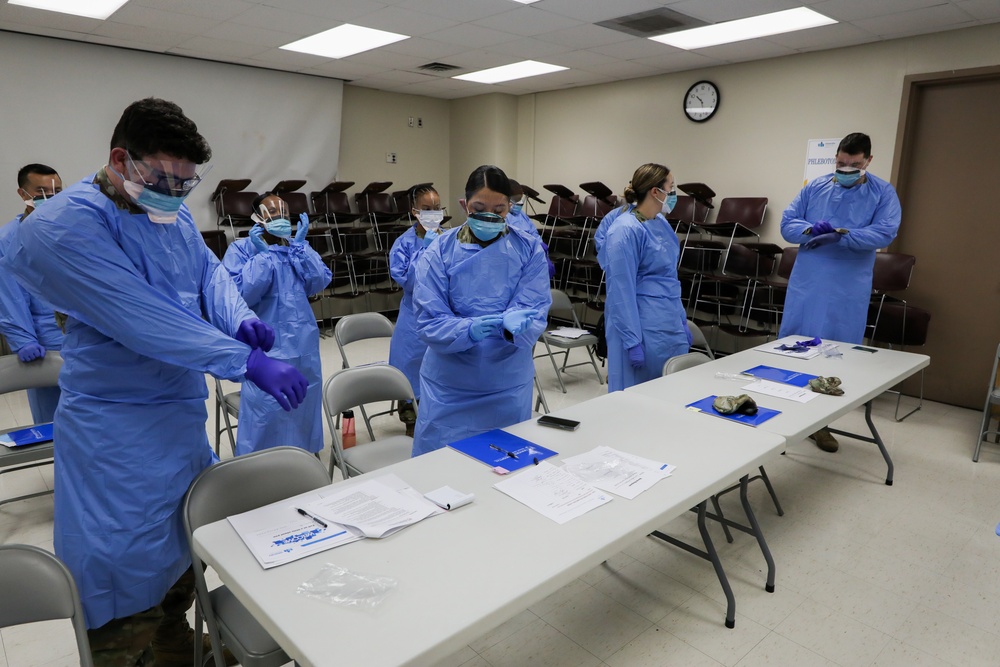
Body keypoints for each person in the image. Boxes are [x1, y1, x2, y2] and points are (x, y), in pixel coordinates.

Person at [1, 97, 308, 666]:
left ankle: (176, 647)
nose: (177, 192)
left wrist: (237, 315)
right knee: (119, 570)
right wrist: (243, 361)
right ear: (122, 159)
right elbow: (142, 317)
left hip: (176, 415)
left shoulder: (170, 211)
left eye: (187, 183)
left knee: (178, 554)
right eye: (166, 178)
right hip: (115, 434)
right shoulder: (67, 224)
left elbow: (206, 272)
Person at [410, 165, 550, 456]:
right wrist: (467, 330)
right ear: (464, 205)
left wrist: (517, 327)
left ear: (510, 207)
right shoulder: (439, 252)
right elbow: (429, 321)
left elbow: (534, 308)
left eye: (498, 209)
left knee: (505, 471)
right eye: (479, 207)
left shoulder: (528, 249)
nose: (489, 216)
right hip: (450, 387)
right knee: (442, 472)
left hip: (507, 383)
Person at [779, 132, 902, 453]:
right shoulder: (815, 187)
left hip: (848, 285)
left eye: (854, 165)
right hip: (809, 281)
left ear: (868, 161)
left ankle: (821, 425)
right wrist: (810, 230)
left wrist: (843, 235)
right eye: (841, 164)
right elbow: (787, 223)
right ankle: (782, 416)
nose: (846, 170)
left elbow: (885, 231)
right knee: (794, 347)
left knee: (837, 353)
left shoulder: (882, 193)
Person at [223, 192, 331, 456]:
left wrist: (302, 247)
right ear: (258, 218)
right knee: (266, 410)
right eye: (272, 213)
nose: (279, 218)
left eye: (283, 212)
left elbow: (319, 280)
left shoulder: (295, 248)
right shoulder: (241, 250)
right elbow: (237, 295)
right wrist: (263, 258)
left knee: (303, 402)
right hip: (266, 348)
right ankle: (260, 469)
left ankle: (303, 460)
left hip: (303, 347)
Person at [603, 163, 690, 392]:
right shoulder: (624, 230)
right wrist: (632, 341)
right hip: (640, 329)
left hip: (668, 322)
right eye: (670, 188)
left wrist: (681, 320)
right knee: (636, 400)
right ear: (655, 191)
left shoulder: (661, 224)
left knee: (669, 396)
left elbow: (671, 277)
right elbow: (621, 291)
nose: (673, 194)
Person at [0, 164, 64, 422]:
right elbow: (9, 296)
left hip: (86, 338)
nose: (50, 197)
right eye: (41, 191)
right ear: (22, 193)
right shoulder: (8, 240)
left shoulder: (72, 230)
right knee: (54, 422)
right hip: (45, 342)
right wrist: (23, 339)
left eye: (57, 191)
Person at [388, 184, 442, 436]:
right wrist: (424, 250)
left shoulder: (448, 239)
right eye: (426, 209)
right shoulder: (403, 244)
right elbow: (409, 282)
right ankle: (411, 423)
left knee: (441, 370)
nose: (433, 214)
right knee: (410, 372)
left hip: (443, 315)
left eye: (437, 208)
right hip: (414, 319)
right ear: (415, 211)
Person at [507, 179, 555, 278]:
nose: (520, 203)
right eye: (516, 199)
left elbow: (534, 233)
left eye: (521, 198)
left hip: (533, 257)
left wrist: (542, 249)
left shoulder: (522, 215)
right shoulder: (502, 217)